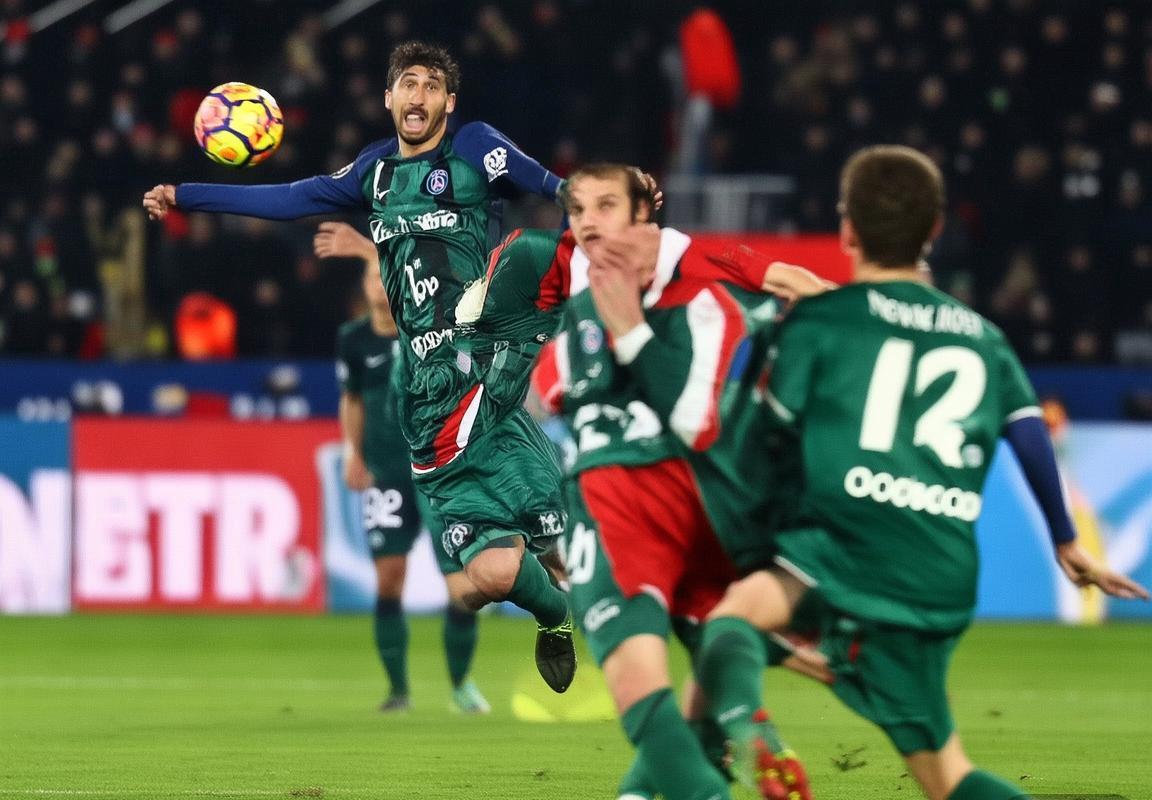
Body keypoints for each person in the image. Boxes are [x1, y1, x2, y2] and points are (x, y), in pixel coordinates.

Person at [693, 145, 1150, 800]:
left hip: (842, 543)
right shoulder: (984, 339)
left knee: (729, 618)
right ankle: (739, 722)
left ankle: (747, 734)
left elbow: (762, 440)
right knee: (947, 775)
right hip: (938, 573)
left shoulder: (823, 322)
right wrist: (1065, 540)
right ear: (935, 229)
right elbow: (1027, 430)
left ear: (847, 230)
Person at [143, 40, 576, 693]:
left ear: (449, 102)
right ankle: (555, 613)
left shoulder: (470, 148)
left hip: (488, 371)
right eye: (409, 84)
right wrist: (186, 194)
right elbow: (291, 197)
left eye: (432, 86)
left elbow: (548, 183)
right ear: (388, 98)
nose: (419, 95)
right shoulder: (374, 172)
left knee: (551, 538)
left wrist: (589, 200)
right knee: (485, 582)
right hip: (428, 401)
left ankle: (591, 576)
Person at [327, 223, 488, 714]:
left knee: (463, 585)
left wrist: (364, 247)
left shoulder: (425, 331)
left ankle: (460, 684)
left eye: (385, 275)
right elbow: (352, 400)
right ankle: (398, 691)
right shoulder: (353, 340)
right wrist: (353, 453)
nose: (378, 285)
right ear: (363, 288)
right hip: (387, 473)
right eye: (370, 277)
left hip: (438, 474)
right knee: (388, 579)